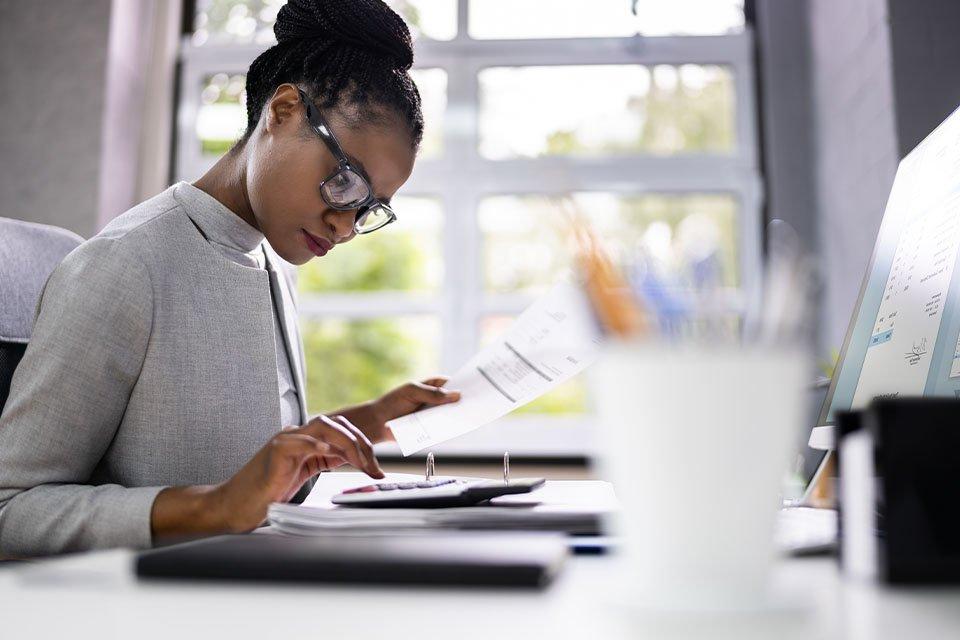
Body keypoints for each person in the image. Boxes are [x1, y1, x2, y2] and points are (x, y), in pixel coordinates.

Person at [0, 0, 459, 558]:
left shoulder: (273, 260)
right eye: (344, 183)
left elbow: (243, 458)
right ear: (284, 110)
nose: (344, 226)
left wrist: (366, 420)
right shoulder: (124, 267)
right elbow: (11, 506)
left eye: (368, 209)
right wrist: (211, 508)